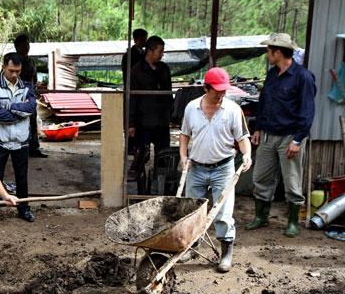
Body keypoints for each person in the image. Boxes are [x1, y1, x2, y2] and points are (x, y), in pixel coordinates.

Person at [179, 67, 252, 273]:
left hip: (223, 168)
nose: (221, 94)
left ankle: (226, 253)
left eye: (224, 90)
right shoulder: (191, 108)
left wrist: (246, 154)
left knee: (223, 213)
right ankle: (192, 247)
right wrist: (184, 157)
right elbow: (184, 134)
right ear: (205, 87)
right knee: (193, 211)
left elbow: (242, 138)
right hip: (197, 167)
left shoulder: (233, 110)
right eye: (216, 90)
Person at [245, 33, 316, 237]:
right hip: (267, 134)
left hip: (289, 137)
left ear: (277, 52)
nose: (267, 54)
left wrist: (297, 139)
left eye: (268, 51)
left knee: (292, 181)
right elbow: (264, 104)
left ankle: (292, 222)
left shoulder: (303, 77)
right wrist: (257, 128)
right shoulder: (272, 74)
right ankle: (261, 217)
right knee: (261, 178)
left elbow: (307, 111)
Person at [0, 52, 37, 224]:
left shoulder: (27, 87)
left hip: (21, 141)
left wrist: (10, 107)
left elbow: (31, 109)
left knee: (22, 178)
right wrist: (20, 113)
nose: (14, 75)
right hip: (1, 140)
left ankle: (24, 209)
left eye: (18, 71)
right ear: (4, 67)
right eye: (11, 70)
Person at [129, 36, 174, 153]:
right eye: (160, 52)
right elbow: (132, 99)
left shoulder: (164, 69)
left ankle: (160, 172)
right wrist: (131, 123)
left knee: (163, 155)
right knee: (141, 156)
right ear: (149, 51)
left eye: (163, 52)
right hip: (144, 123)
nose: (162, 54)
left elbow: (169, 94)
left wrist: (172, 114)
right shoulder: (136, 71)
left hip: (162, 122)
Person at [14, 34, 47, 158]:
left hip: (31, 96)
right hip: (17, 98)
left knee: (32, 122)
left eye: (28, 44)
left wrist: (36, 91)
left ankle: (34, 148)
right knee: (18, 122)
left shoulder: (31, 61)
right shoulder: (13, 61)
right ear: (17, 47)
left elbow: (35, 78)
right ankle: (19, 149)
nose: (26, 47)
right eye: (23, 45)